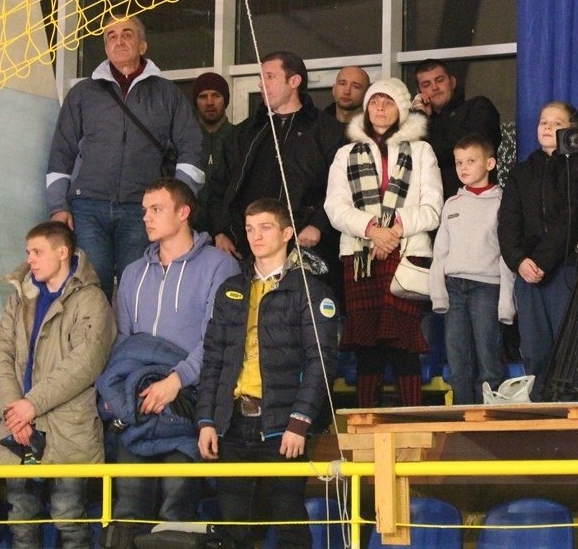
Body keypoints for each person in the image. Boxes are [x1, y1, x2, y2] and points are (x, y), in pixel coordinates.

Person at [96, 179, 239, 540]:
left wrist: (176, 380)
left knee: (175, 512)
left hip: (189, 408)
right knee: (128, 513)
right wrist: (130, 392)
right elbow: (124, 345)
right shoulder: (132, 273)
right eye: (145, 210)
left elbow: (218, 340)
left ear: (184, 212)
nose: (146, 217)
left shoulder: (220, 266)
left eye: (156, 209)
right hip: (141, 408)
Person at [196, 198, 339, 548]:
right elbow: (213, 359)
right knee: (232, 530)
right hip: (231, 423)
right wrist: (206, 420)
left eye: (265, 228)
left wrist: (300, 421)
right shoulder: (231, 289)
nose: (255, 236)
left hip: (281, 424)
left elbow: (321, 361)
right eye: (249, 229)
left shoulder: (311, 290)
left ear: (287, 233)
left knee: (289, 523)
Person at [46, 14, 205, 300]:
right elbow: (61, 152)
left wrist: (178, 200)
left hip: (142, 210)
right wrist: (58, 206)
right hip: (87, 208)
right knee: (91, 291)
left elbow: (192, 147)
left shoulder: (167, 94)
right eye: (111, 36)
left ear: (142, 45)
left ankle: (131, 333)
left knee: (139, 288)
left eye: (127, 34)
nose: (119, 40)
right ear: (106, 47)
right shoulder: (82, 93)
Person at [0, 221, 115, 548]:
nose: (29, 259)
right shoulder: (20, 297)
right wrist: (14, 413)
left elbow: (86, 362)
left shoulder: (91, 299)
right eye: (27, 252)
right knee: (21, 522)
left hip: (68, 429)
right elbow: (1, 354)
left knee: (69, 519)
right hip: (17, 428)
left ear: (62, 252)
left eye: (37, 252)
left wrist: (30, 405)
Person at [325, 78, 443, 407]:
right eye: (374, 102)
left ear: (401, 109)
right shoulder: (345, 153)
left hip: (406, 255)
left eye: (388, 102)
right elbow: (335, 207)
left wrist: (391, 232)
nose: (379, 108)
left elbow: (433, 209)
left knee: (405, 343)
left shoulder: (421, 151)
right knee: (367, 345)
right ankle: (367, 421)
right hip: (360, 258)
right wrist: (372, 229)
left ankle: (411, 422)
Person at [206, 51, 345, 295]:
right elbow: (218, 187)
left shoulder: (328, 130)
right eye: (260, 78)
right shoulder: (244, 133)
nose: (261, 84)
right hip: (245, 252)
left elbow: (341, 187)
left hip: (306, 249)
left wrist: (318, 225)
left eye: (269, 76)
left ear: (294, 81)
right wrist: (219, 231)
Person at [497, 101, 578, 399]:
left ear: (572, 129)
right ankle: (542, 409)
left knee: (569, 349)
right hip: (527, 274)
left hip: (565, 268)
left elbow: (574, 218)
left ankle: (575, 413)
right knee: (534, 351)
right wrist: (519, 261)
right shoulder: (521, 172)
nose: (548, 127)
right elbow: (507, 224)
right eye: (544, 122)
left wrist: (541, 261)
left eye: (557, 123)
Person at [429, 133, 515, 404]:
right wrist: (438, 294)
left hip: (487, 287)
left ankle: (489, 417)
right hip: (454, 288)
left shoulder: (502, 203)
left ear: (490, 164)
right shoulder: (452, 204)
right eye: (458, 162)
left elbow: (506, 256)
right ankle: (462, 416)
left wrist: (506, 304)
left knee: (489, 359)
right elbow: (440, 252)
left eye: (471, 161)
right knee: (457, 359)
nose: (463, 168)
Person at [411, 59, 502, 199]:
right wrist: (421, 116)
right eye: (426, 84)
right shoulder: (423, 121)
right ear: (419, 92)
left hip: (477, 202)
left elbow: (470, 149)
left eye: (440, 80)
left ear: (452, 82)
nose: (434, 87)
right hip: (428, 205)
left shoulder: (478, 107)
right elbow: (412, 156)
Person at [190, 72, 235, 233]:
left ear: (225, 100)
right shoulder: (184, 140)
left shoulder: (239, 138)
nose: (209, 102)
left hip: (229, 232)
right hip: (189, 230)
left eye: (216, 95)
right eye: (203, 96)